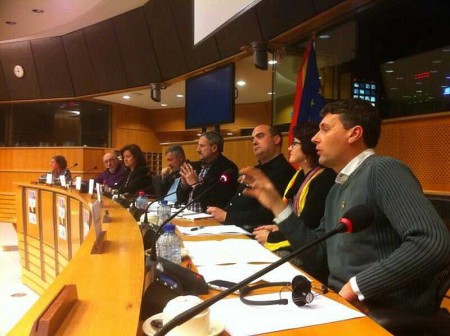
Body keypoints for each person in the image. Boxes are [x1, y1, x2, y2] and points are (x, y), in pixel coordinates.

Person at [240, 99, 450, 315]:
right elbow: (320, 255)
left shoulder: (382, 169)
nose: (314, 138)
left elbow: (432, 242)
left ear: (354, 134)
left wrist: (358, 287)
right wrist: (277, 206)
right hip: (338, 303)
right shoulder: (336, 189)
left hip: (381, 312)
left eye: (325, 129)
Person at [252, 122, 336, 257]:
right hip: (292, 236)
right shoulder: (299, 175)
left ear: (309, 146)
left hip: (309, 248)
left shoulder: (324, 179)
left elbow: (308, 225)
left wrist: (272, 237)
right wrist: (278, 227)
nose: (289, 148)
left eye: (295, 144)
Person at [207, 125, 295, 231]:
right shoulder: (254, 170)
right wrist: (219, 216)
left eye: (260, 136)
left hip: (255, 233)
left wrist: (227, 216)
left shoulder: (285, 171)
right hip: (231, 227)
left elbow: (268, 214)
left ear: (276, 139)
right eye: (253, 139)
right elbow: (235, 202)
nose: (254, 142)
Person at [178, 131, 238, 212]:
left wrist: (195, 184)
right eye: (198, 146)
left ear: (214, 148)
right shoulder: (197, 166)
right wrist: (185, 185)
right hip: (188, 215)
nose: (197, 150)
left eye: (202, 146)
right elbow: (182, 198)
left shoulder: (227, 169)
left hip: (209, 219)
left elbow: (217, 201)